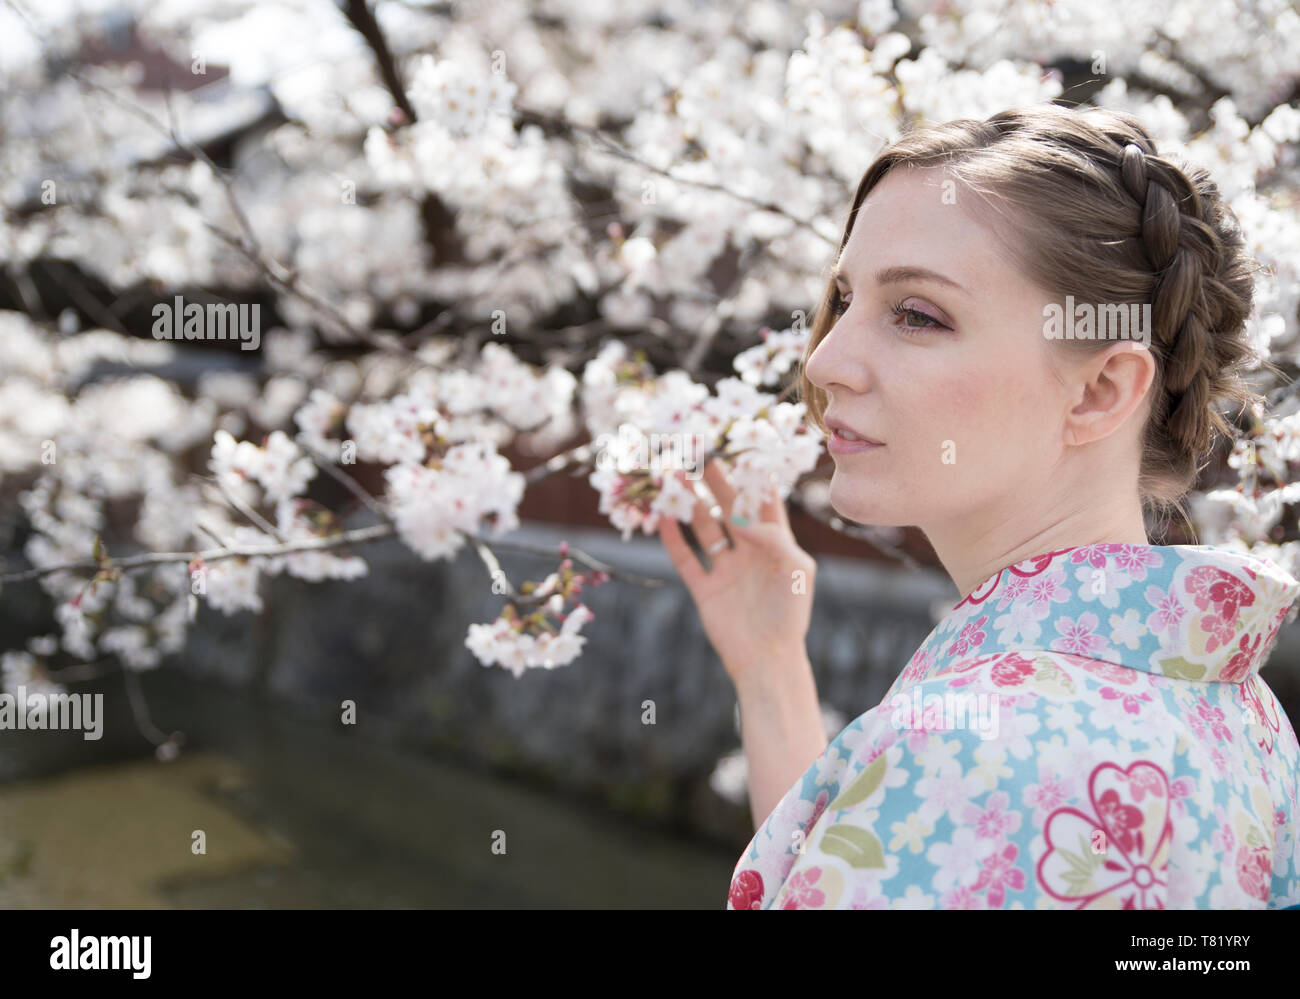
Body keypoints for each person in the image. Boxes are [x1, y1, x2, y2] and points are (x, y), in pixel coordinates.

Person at [657, 103, 1300, 909]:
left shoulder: (974, 749)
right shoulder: (1245, 716)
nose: (825, 360)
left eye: (918, 314)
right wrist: (770, 667)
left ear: (1101, 390)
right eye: (843, 297)